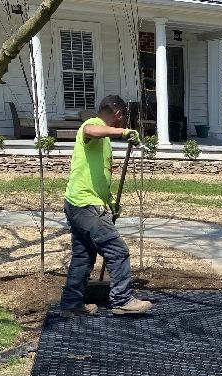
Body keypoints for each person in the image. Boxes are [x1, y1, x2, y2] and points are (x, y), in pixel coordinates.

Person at [59, 95, 153, 317]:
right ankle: (122, 300)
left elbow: (99, 176)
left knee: (83, 256)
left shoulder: (105, 142)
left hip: (80, 204)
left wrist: (109, 201)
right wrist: (123, 133)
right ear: (117, 114)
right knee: (117, 250)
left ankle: (71, 304)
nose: (121, 123)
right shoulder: (93, 126)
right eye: (122, 119)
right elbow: (90, 130)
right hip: (85, 206)